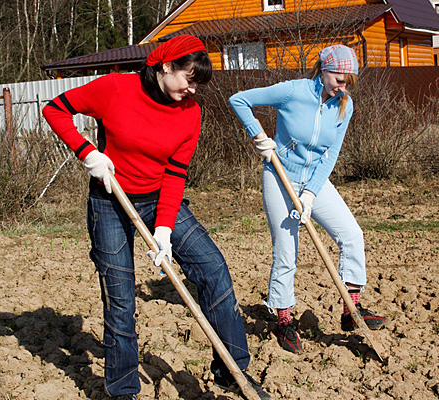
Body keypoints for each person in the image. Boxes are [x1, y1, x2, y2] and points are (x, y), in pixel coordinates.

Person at [43, 35, 270, 400]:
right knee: (120, 297)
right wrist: (87, 153)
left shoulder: (190, 113)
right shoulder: (116, 88)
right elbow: (55, 108)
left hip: (159, 200)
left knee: (212, 268)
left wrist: (164, 228)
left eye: (198, 83)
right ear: (165, 66)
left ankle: (232, 372)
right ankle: (123, 390)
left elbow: (176, 174)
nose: (192, 89)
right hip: (110, 201)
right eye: (188, 78)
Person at [229, 44, 387, 354]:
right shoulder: (293, 91)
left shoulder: (345, 105)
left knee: (352, 234)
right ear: (324, 70)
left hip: (314, 181)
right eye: (339, 81)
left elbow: (331, 154)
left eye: (348, 83)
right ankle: (284, 320)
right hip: (280, 177)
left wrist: (312, 193)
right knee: (287, 250)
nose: (343, 88)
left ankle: (351, 309)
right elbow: (239, 100)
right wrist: (260, 137)